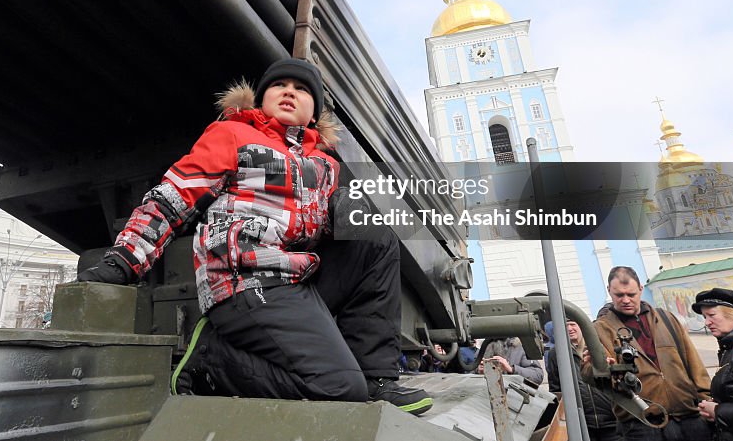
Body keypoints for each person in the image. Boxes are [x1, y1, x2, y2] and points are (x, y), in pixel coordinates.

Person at [75, 58, 433, 415]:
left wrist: (349, 211)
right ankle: (208, 364)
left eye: (303, 89)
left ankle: (375, 377)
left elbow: (324, 228)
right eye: (280, 85)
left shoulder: (325, 165)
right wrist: (123, 260)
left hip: (296, 279)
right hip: (244, 279)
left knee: (377, 238)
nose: (290, 91)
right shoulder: (233, 134)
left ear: (314, 115)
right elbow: (174, 197)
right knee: (338, 387)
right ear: (262, 99)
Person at [587, 266, 712, 441]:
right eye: (619, 295)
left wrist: (706, 398)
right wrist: (599, 366)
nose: (626, 300)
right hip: (641, 422)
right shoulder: (600, 329)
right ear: (609, 291)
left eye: (631, 294)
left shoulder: (666, 319)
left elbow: (693, 361)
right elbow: (587, 372)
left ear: (640, 289)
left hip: (688, 416)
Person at [547, 318, 620, 441]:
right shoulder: (556, 354)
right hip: (582, 423)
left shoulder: (599, 347)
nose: (570, 329)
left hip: (612, 419)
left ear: (581, 326)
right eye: (565, 325)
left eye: (572, 324)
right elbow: (556, 388)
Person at [693, 288, 733, 441]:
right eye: (704, 316)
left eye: (712, 315)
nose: (707, 322)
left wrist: (717, 410)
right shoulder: (729, 347)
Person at [477, 336, 545, 387]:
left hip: (515, 397)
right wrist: (479, 372)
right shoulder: (484, 348)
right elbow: (469, 374)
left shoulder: (521, 347)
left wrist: (511, 369)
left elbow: (538, 376)